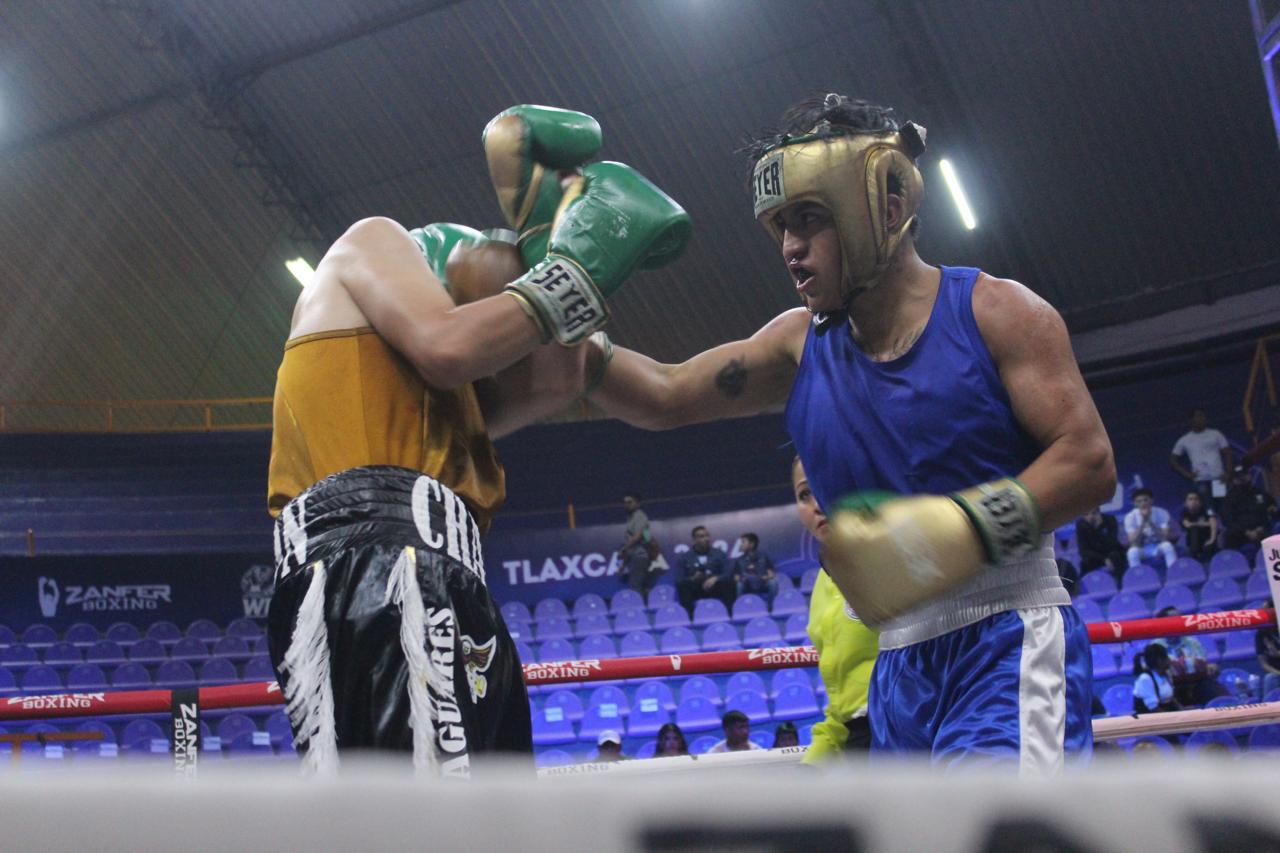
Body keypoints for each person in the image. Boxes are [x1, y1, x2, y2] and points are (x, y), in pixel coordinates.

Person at [582, 94, 1113, 769]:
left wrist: (965, 530)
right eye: (780, 225)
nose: (789, 247)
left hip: (1007, 637)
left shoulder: (997, 312)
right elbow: (664, 394)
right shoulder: (796, 344)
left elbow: (1088, 460)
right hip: (897, 667)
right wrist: (551, 307)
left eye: (809, 219)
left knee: (991, 823)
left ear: (885, 208)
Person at [265, 104, 691, 773]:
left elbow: (581, 384)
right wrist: (572, 270)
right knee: (420, 817)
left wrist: (556, 231)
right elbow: (449, 345)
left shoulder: (442, 407)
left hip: (449, 572)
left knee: (494, 810)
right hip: (370, 562)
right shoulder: (376, 243)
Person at [792, 456, 877, 762]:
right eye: (804, 494)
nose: (816, 505)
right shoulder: (822, 584)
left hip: (912, 741)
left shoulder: (899, 558)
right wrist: (813, 764)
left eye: (824, 486)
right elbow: (845, 708)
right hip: (863, 746)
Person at [1170, 408, 1232, 511]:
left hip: (1218, 478)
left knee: (1223, 507)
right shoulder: (1185, 439)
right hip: (1201, 480)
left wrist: (1228, 472)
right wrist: (1187, 474)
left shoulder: (1215, 434)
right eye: (1198, 416)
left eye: (1203, 416)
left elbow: (1227, 453)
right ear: (1191, 420)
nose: (1201, 419)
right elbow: (1173, 460)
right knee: (1207, 509)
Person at [1221, 465, 1279, 558]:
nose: (1242, 479)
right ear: (1234, 480)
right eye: (1239, 477)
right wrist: (1246, 532)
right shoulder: (1229, 498)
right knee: (1228, 537)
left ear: (1249, 476)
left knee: (1272, 539)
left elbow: (1272, 508)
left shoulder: (1259, 492)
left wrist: (1261, 527)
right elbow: (1227, 519)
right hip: (1240, 532)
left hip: (1261, 529)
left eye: (1244, 475)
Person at [675, 526, 735, 613]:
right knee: (683, 587)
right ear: (694, 540)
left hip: (715, 586)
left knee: (729, 583)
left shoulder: (719, 554)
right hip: (696, 589)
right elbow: (679, 579)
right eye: (702, 536)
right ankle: (690, 617)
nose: (706, 539)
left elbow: (728, 572)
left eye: (707, 535)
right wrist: (692, 579)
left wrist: (716, 578)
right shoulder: (685, 557)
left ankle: (730, 614)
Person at [1123, 488, 1177, 569]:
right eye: (1139, 501)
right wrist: (1143, 523)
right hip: (1142, 548)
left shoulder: (1162, 512)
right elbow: (1133, 542)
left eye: (1145, 500)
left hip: (1158, 546)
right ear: (1135, 504)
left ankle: (1173, 572)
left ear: (1151, 501)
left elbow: (1164, 538)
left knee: (1168, 546)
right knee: (1132, 552)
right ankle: (1138, 576)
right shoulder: (1130, 517)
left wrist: (1150, 522)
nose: (1143, 503)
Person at [618, 492, 659, 594]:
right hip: (638, 556)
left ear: (638, 503)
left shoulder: (640, 517)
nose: (626, 504)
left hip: (639, 557)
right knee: (642, 588)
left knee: (635, 588)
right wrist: (623, 564)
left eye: (630, 502)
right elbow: (647, 537)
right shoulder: (632, 518)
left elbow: (637, 536)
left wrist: (623, 548)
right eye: (625, 502)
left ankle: (639, 605)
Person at [1075, 507, 1127, 577]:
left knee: (1115, 556)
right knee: (1084, 563)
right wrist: (1104, 559)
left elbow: (1112, 544)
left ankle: (1119, 581)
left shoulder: (1110, 520)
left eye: (1093, 513)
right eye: (1086, 514)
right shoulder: (1081, 525)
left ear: (1099, 512)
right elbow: (1083, 551)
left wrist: (1099, 527)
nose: (1090, 517)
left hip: (1111, 552)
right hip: (1096, 556)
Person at [1132, 643, 1181, 715]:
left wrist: (1184, 711)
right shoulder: (1145, 679)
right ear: (1159, 660)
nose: (1170, 659)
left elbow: (1171, 699)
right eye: (1167, 657)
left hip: (1166, 714)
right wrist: (1173, 718)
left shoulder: (1167, 675)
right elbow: (1153, 708)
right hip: (1150, 717)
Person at [733, 532, 778, 603]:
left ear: (752, 544)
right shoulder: (739, 560)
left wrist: (766, 577)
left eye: (743, 542)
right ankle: (740, 604)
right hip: (748, 584)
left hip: (762, 583)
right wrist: (741, 579)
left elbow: (771, 574)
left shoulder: (764, 557)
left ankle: (770, 605)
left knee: (773, 583)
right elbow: (736, 577)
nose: (741, 545)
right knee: (739, 585)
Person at [1178, 490, 1218, 562]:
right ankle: (1195, 557)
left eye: (1196, 499)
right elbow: (1187, 525)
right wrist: (1204, 523)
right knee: (1194, 529)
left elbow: (1214, 524)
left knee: (1211, 546)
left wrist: (1212, 540)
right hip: (1193, 538)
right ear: (1186, 503)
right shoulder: (1184, 511)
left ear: (1200, 502)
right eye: (1190, 499)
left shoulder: (1207, 509)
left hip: (1208, 535)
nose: (1193, 501)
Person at [1255, 623, 1280, 698]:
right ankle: (1267, 702)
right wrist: (1278, 673)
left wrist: (1277, 653)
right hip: (1276, 671)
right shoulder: (1260, 635)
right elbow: (1264, 664)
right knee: (1269, 678)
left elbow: (1276, 654)